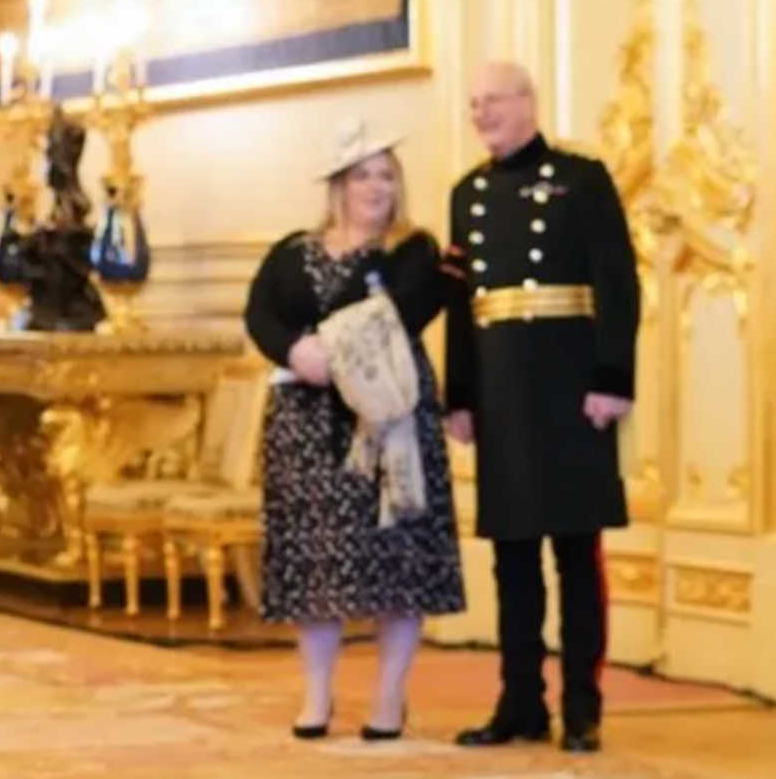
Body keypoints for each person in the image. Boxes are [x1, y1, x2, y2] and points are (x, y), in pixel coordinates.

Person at [442, 60, 641, 755]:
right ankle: (519, 700)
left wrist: (613, 377)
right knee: (512, 558)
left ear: (528, 102)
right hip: (502, 396)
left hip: (571, 390)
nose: (482, 113)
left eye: (493, 100)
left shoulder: (582, 180)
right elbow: (463, 309)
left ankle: (582, 706)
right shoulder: (465, 195)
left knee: (576, 557)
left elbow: (617, 285)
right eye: (473, 104)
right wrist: (459, 394)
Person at [243, 121, 464, 742]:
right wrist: (293, 350)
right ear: (338, 185)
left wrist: (326, 350)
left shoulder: (415, 250)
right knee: (315, 561)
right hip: (305, 423)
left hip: (385, 418)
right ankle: (316, 695)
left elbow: (401, 312)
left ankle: (389, 698)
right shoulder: (292, 250)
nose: (377, 187)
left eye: (387, 175)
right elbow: (259, 312)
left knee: (395, 560)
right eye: (363, 174)